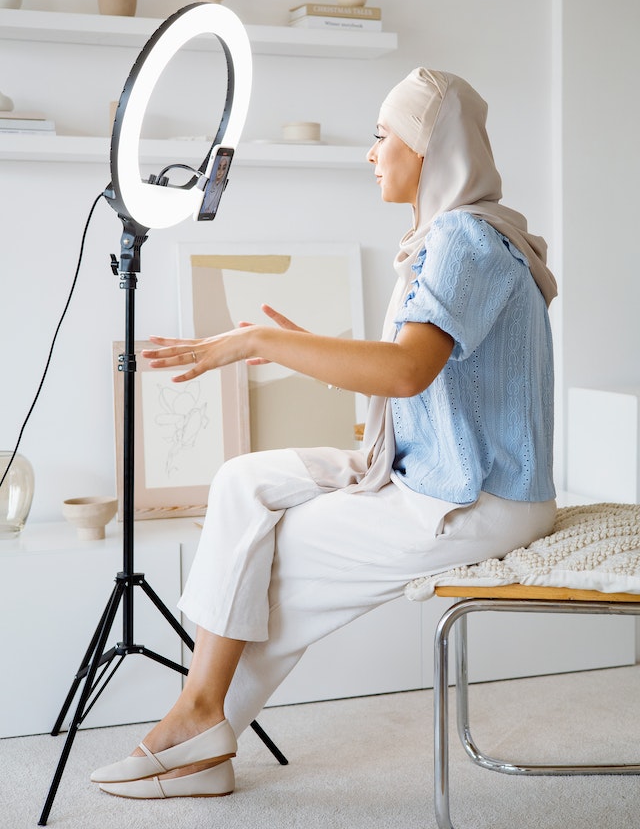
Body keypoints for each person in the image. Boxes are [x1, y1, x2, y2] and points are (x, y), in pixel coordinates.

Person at [91, 68, 558, 800]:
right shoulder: (453, 236)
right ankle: (201, 724)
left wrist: (259, 345)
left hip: (478, 496)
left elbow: (407, 373)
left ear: (428, 148)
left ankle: (197, 731)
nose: (370, 154)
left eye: (382, 137)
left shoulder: (466, 239)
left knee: (271, 557)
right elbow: (415, 378)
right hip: (434, 469)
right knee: (240, 483)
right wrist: (304, 344)